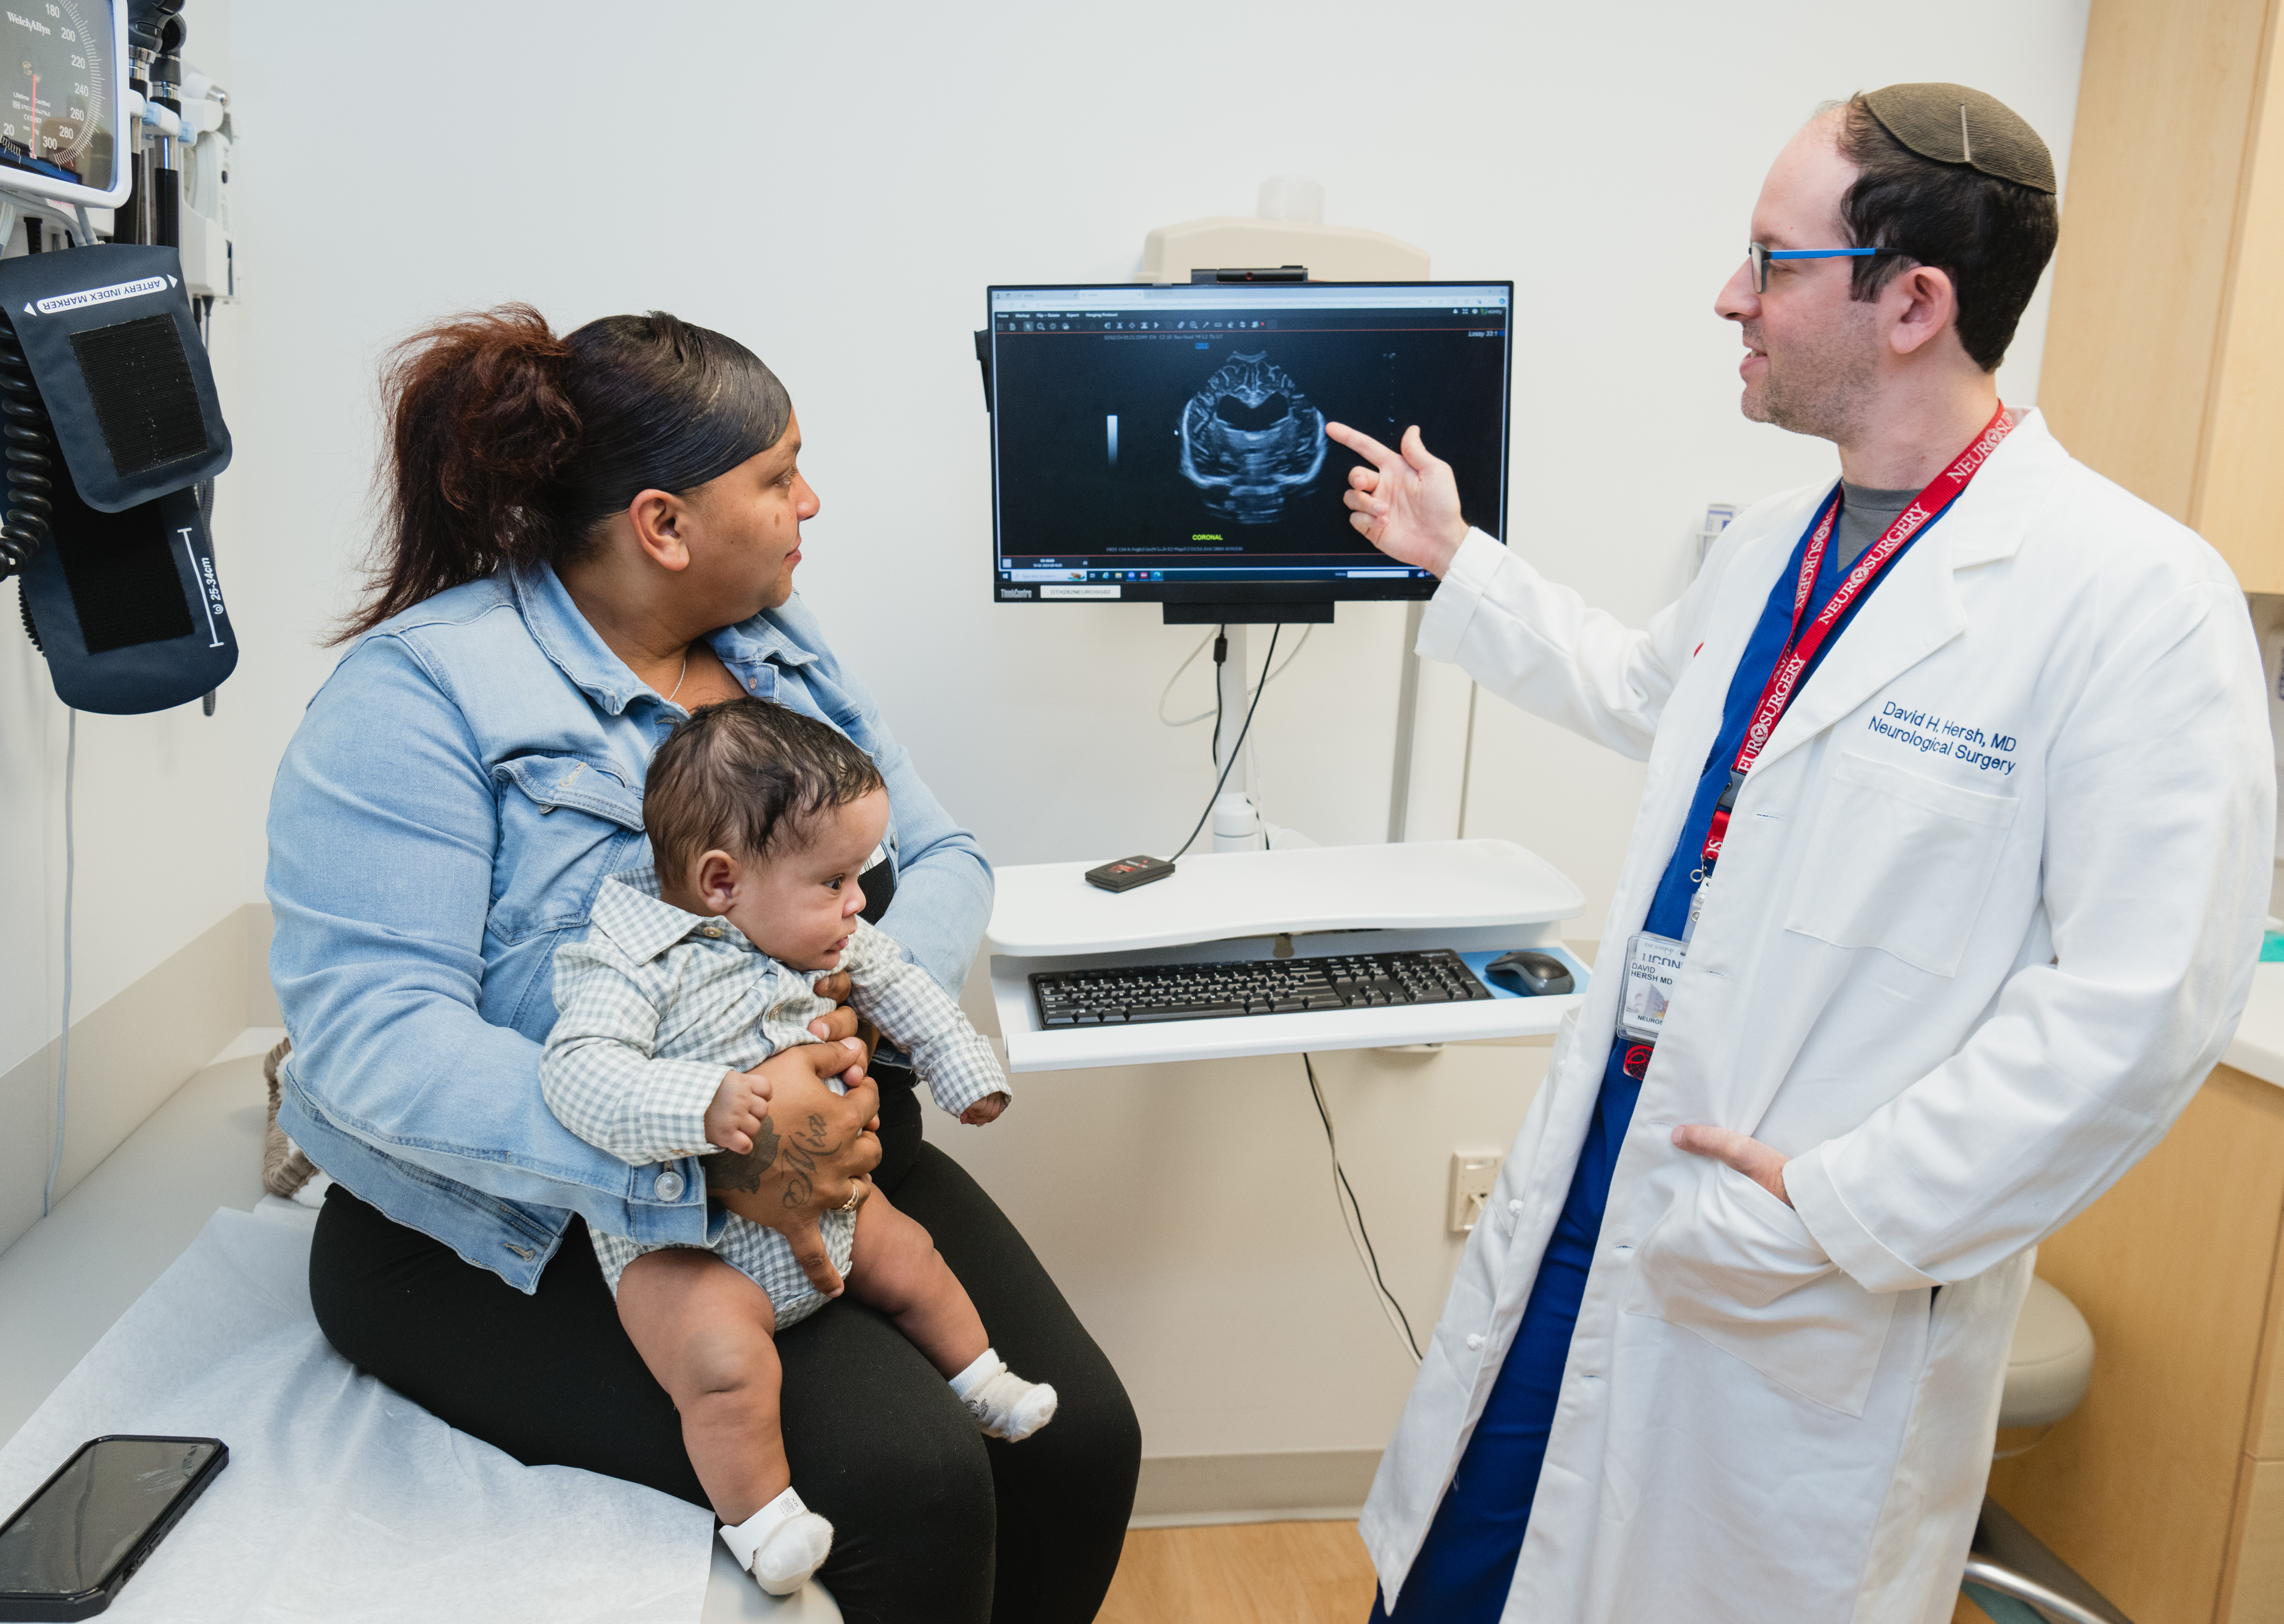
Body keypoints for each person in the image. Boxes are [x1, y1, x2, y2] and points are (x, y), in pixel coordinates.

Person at [1331, 85, 2272, 1622]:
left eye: (1769, 261)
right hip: (1609, 1182)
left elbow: (2139, 1004)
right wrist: (1458, 558)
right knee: (1460, 1569)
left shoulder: (2129, 597)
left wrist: (1851, 1203)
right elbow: (1660, 696)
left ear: (1910, 301)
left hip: (1794, 1258)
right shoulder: (1771, 541)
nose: (1727, 296)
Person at [265, 304, 1139, 1624]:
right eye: (778, 475)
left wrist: (851, 1017)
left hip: (829, 1158)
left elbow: (946, 850)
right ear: (663, 524)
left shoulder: (772, 646)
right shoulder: (420, 699)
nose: (810, 501)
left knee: (1078, 1443)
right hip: (533, 1231)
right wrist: (705, 1136)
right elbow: (373, 1041)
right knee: (912, 1488)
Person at [539, 698, 1057, 1595]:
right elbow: (578, 1072)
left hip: (832, 1203)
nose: (859, 904)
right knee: (724, 1369)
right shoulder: (625, 963)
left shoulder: (821, 937)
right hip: (688, 1245)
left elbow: (908, 995)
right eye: (836, 882)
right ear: (721, 882)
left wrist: (963, 1068)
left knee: (914, 1256)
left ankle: (981, 1379)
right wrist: (702, 1103)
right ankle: (764, 1518)